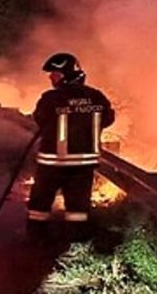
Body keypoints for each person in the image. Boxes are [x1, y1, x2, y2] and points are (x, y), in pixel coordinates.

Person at [27, 52, 115, 243]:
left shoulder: (50, 98)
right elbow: (108, 119)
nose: (51, 77)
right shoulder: (96, 96)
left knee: (39, 206)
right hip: (84, 166)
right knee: (78, 208)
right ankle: (76, 243)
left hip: (52, 164)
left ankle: (36, 241)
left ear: (66, 75)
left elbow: (39, 118)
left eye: (55, 74)